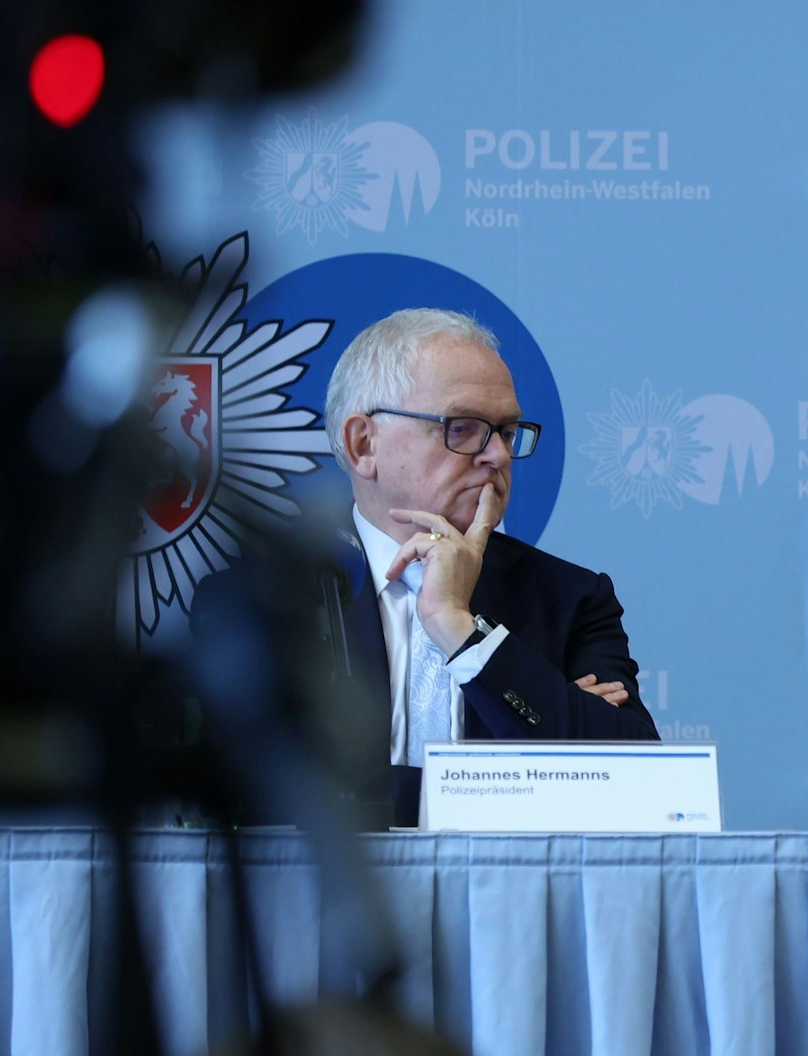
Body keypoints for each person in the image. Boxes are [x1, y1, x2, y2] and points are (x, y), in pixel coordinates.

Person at [198, 308, 657, 827]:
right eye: (463, 428)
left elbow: (637, 779)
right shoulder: (267, 598)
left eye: (507, 432)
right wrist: (538, 749)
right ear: (363, 445)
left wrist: (461, 630)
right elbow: (250, 794)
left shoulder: (571, 597)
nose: (498, 456)